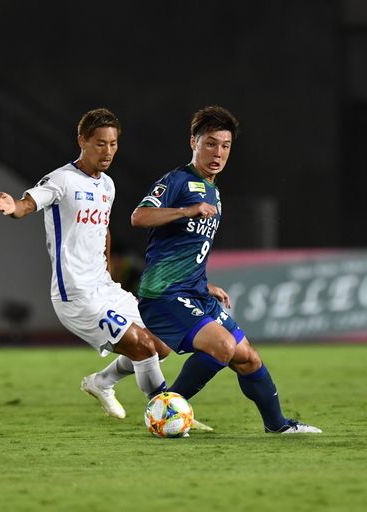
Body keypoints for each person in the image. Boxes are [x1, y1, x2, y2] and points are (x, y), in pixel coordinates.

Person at [130, 105, 321, 434]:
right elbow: (139, 216)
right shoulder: (176, 181)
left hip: (193, 293)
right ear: (193, 142)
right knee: (222, 346)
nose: (218, 153)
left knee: (248, 357)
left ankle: (278, 426)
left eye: (225, 146)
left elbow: (185, 252)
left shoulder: (214, 192)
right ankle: (163, 409)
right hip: (163, 296)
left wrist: (205, 285)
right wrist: (186, 211)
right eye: (210, 143)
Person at [0, 108, 170, 417]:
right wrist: (14, 208)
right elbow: (28, 203)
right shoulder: (62, 179)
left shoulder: (107, 185)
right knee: (143, 348)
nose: (108, 151)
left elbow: (103, 230)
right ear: (82, 141)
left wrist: (109, 274)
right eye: (100, 143)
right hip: (76, 296)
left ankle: (101, 382)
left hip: (105, 288)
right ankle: (165, 413)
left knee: (163, 344)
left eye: (113, 144)